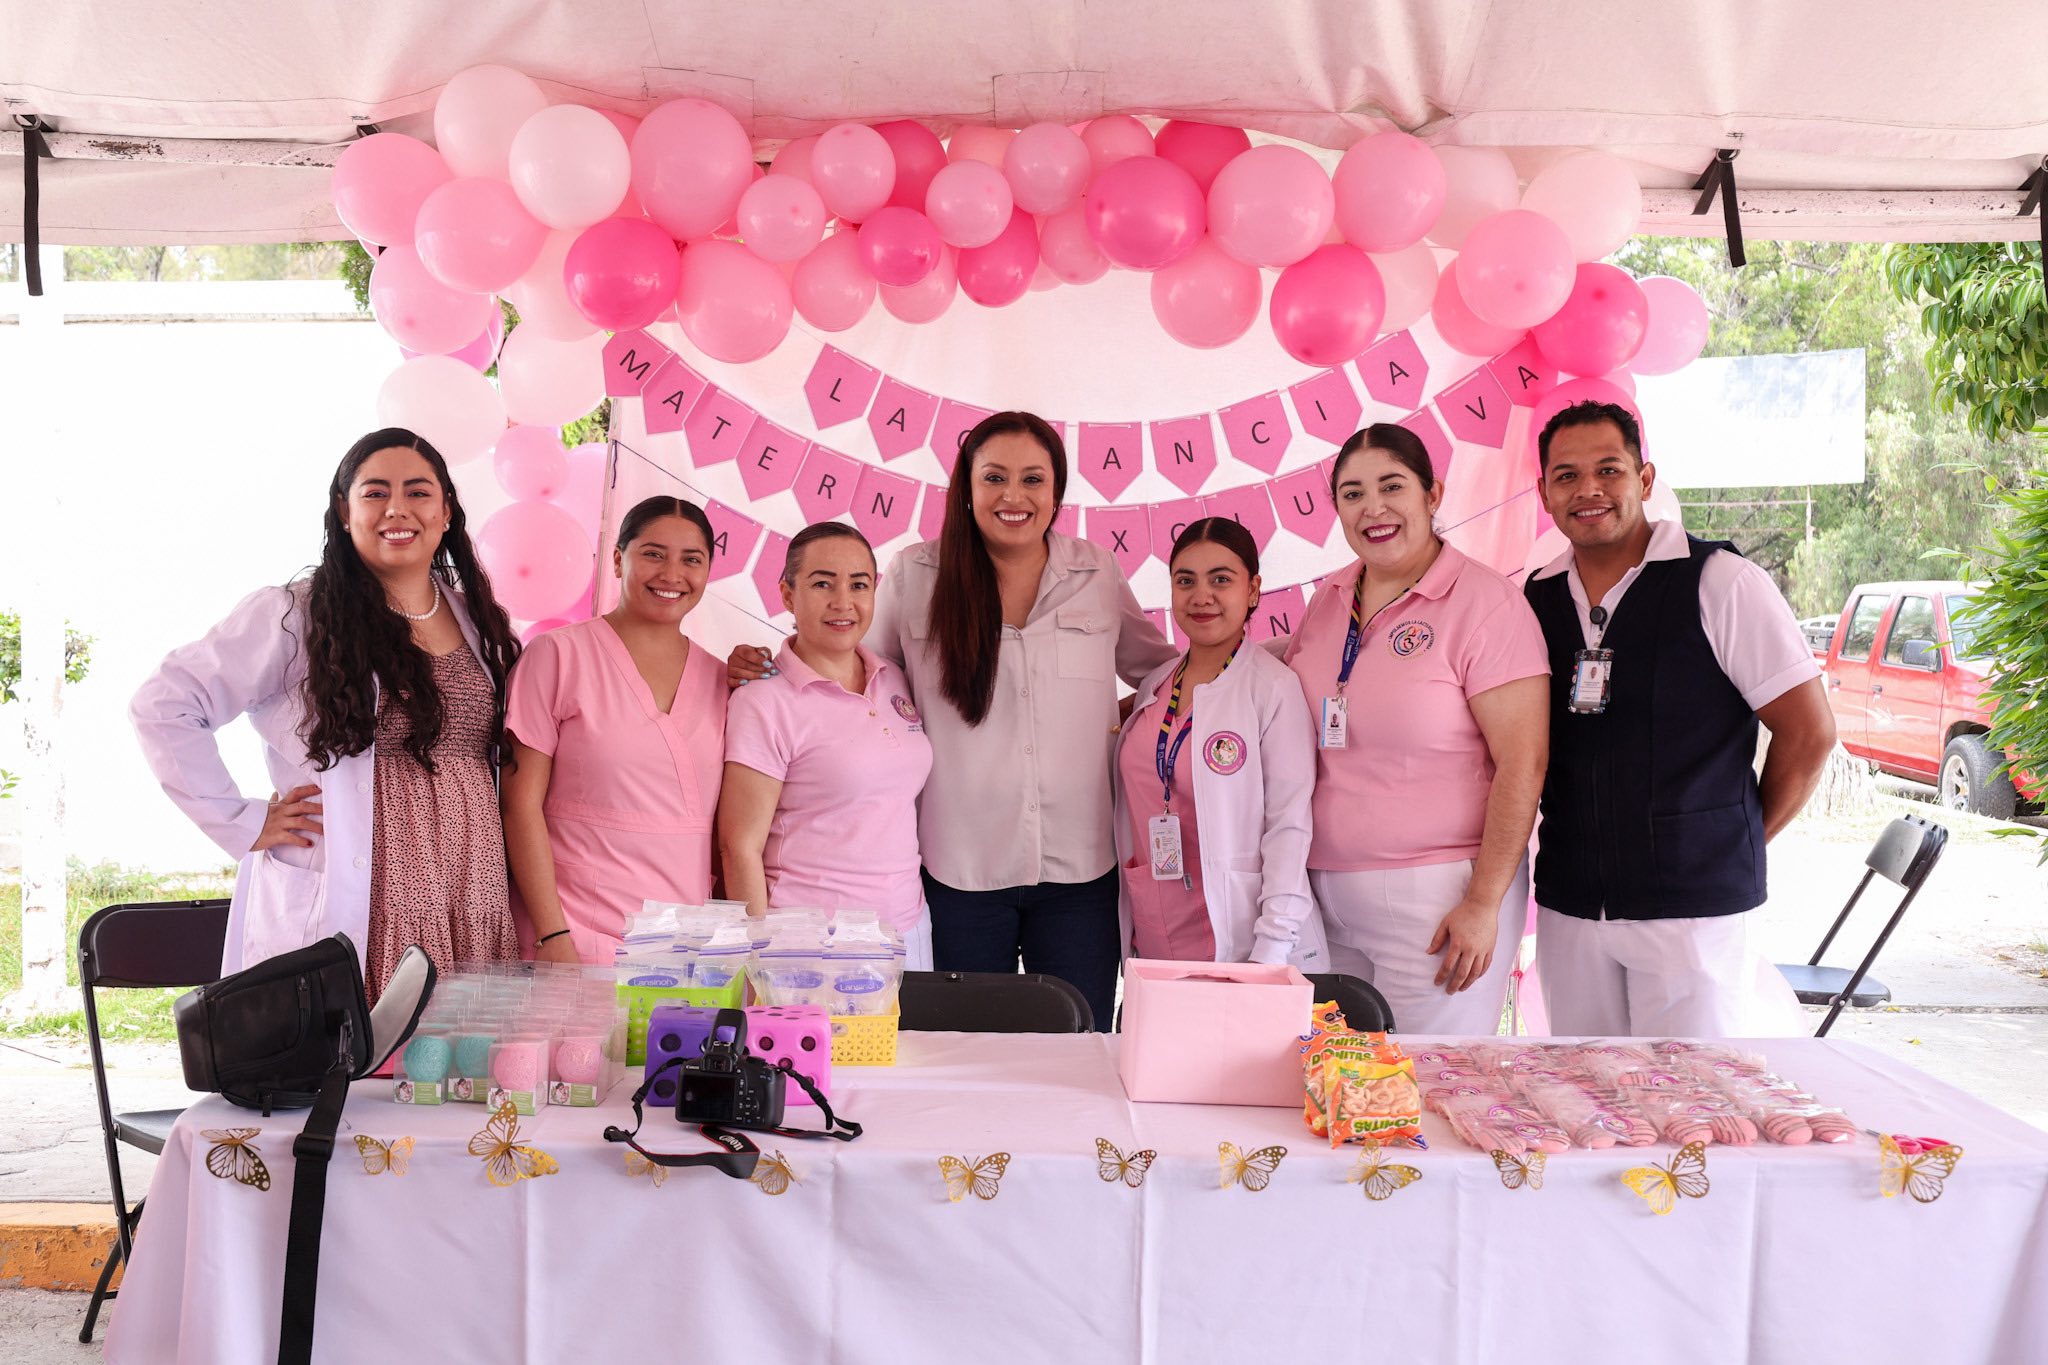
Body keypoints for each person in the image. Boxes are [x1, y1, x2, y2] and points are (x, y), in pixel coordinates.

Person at [738, 412, 1176, 1029]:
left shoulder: (1095, 574)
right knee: (963, 1051)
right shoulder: (916, 577)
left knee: (1083, 1045)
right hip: (957, 871)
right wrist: (761, 664)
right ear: (966, 488)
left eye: (1033, 479)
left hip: (1081, 870)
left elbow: (1160, 674)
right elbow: (857, 672)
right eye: (994, 477)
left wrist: (1119, 719)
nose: (1013, 496)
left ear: (1057, 491)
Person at [131, 428, 523, 999]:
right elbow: (163, 703)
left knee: (454, 1067)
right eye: (374, 493)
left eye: (418, 492)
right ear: (344, 512)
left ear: (445, 514)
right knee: (359, 1063)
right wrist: (240, 820)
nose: (397, 509)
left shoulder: (478, 622)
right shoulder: (296, 614)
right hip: (364, 891)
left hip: (469, 885)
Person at [1526, 400, 1835, 1036]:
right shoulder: (1536, 597)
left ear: (1644, 480)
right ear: (1544, 493)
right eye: (1566, 476)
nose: (1588, 490)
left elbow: (1809, 733)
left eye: (1608, 470)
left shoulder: (1721, 581)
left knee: (1694, 1107)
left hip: (1692, 913)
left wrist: (1727, 838)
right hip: (1572, 906)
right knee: (1590, 1102)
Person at [1283, 424, 1549, 1033]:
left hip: (1438, 901)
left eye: (1391, 486)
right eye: (1352, 494)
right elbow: (1277, 675)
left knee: (1429, 1088)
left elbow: (1524, 763)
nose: (1372, 508)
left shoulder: (1485, 604)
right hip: (1325, 900)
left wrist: (1483, 905)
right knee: (1344, 1085)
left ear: (1433, 494)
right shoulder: (1330, 598)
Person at [501, 496, 729, 965]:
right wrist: (552, 934)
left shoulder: (724, 680)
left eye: (692, 559)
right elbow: (518, 804)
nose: (672, 574)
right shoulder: (557, 656)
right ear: (619, 559)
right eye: (653, 553)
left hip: (682, 940)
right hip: (574, 926)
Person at [1113, 518, 1327, 967]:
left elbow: (1289, 824)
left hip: (1241, 931)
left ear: (1252, 591)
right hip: (1154, 927)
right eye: (1185, 581)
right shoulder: (1154, 687)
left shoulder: (1272, 688)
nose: (1201, 596)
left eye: (1221, 580)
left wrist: (1273, 944)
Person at [719, 523, 936, 965]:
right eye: (822, 583)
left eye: (858, 585)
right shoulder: (763, 700)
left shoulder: (893, 677)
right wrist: (757, 963)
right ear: (787, 595)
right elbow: (739, 846)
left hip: (907, 929)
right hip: (810, 942)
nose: (843, 602)